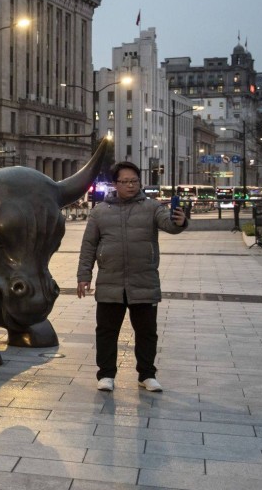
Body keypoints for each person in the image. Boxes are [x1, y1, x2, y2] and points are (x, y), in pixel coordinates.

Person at [76, 161, 187, 393]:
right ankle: (106, 374)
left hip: (143, 280)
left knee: (147, 332)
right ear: (115, 184)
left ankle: (146, 374)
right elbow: (89, 246)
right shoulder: (100, 212)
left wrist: (180, 221)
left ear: (140, 182)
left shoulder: (152, 207)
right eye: (125, 181)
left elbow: (169, 224)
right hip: (110, 282)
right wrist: (83, 275)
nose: (130, 185)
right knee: (106, 332)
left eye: (134, 181)